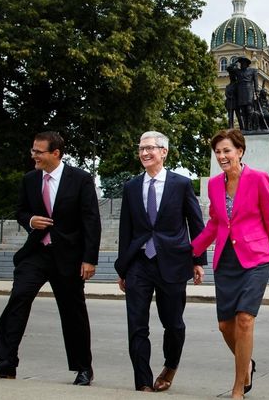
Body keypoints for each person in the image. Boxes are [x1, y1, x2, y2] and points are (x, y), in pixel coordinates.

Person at [0, 131, 100, 386]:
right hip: (36, 254)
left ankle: (83, 368)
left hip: (68, 257)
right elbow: (21, 211)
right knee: (18, 298)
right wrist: (31, 220)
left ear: (55, 153)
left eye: (38, 152)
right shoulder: (30, 179)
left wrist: (89, 259)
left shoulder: (80, 179)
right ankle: (5, 362)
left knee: (73, 312)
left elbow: (91, 220)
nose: (33, 155)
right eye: (33, 150)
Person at [191, 128, 269, 399]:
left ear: (240, 151)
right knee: (226, 326)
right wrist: (192, 252)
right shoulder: (214, 184)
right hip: (226, 259)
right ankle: (246, 362)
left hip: (256, 258)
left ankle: (239, 386)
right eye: (218, 152)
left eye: (227, 150)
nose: (222, 156)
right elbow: (215, 223)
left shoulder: (258, 179)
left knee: (245, 320)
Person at [114, 131, 207, 392]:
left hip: (174, 263)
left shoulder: (181, 184)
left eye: (150, 148)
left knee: (173, 323)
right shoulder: (131, 186)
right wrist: (123, 267)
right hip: (139, 264)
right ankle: (142, 381)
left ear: (163, 152)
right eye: (141, 148)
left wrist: (198, 260)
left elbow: (196, 224)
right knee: (136, 325)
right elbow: (126, 229)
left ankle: (170, 366)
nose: (144, 153)